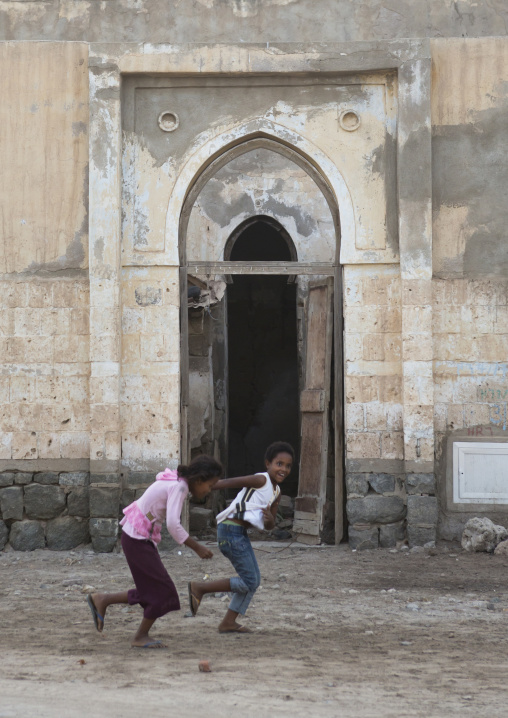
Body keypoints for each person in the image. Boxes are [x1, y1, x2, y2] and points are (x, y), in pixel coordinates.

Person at [86, 455, 223, 648]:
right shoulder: (180, 487)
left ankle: (103, 599)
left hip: (137, 537)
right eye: (210, 485)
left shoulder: (176, 479)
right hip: (137, 540)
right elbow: (173, 524)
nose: (209, 490)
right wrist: (197, 547)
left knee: (154, 589)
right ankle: (140, 636)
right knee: (163, 592)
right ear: (199, 480)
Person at [188, 441, 294, 634]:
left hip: (239, 534)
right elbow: (228, 483)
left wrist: (269, 519)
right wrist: (200, 485)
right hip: (230, 531)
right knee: (249, 581)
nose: (283, 469)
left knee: (254, 580)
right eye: (279, 464)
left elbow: (270, 526)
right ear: (268, 463)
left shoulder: (277, 492)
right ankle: (201, 588)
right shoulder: (260, 480)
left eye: (288, 466)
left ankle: (228, 622)